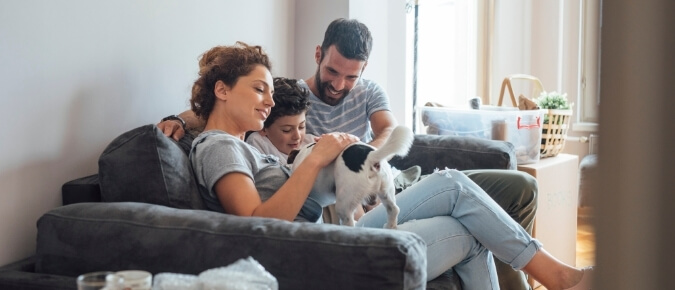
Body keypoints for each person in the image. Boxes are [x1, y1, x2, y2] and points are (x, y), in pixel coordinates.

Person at [159, 18, 535, 289]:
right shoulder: (219, 146)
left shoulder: (239, 143)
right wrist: (318, 158)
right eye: (261, 90)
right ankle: (550, 273)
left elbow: (217, 108)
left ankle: (546, 271)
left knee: (459, 196)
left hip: (334, 226)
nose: (271, 102)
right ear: (223, 90)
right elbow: (259, 223)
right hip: (322, 246)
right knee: (463, 224)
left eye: (271, 93)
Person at [245, 77, 314, 166]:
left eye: (301, 127)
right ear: (263, 128)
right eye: (287, 130)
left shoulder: (310, 142)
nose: (297, 136)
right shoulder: (258, 142)